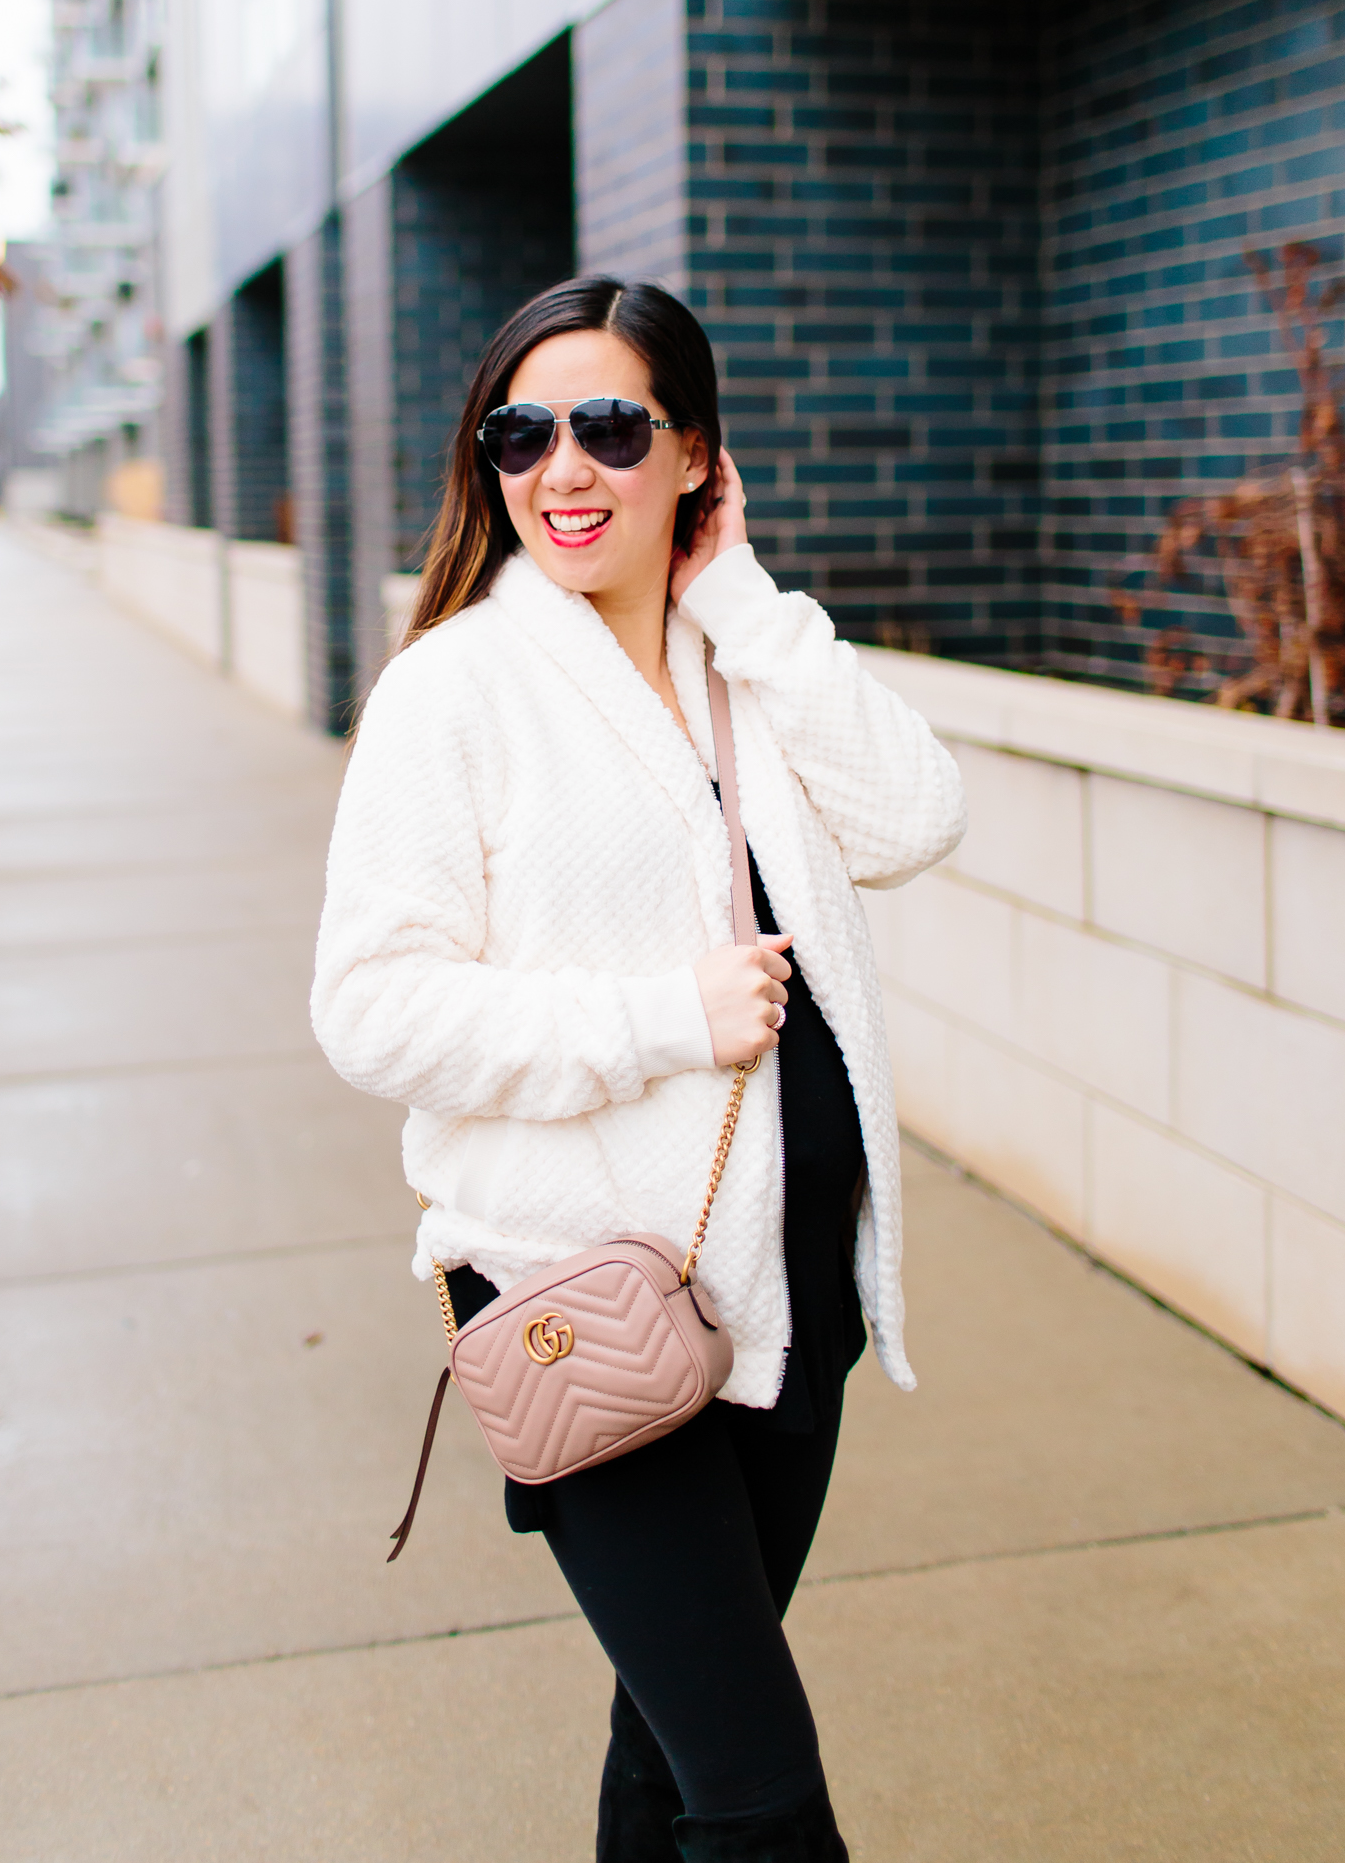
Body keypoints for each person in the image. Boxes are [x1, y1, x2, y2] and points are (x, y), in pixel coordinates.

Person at [312, 277, 966, 1862]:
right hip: (587, 1298)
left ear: (694, 457)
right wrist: (661, 1019)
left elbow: (913, 818)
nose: (564, 468)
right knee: (759, 1795)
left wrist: (741, 596)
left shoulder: (739, 658)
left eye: (611, 426)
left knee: (671, 1752)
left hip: (788, 1289)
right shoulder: (455, 690)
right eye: (522, 432)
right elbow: (371, 1008)